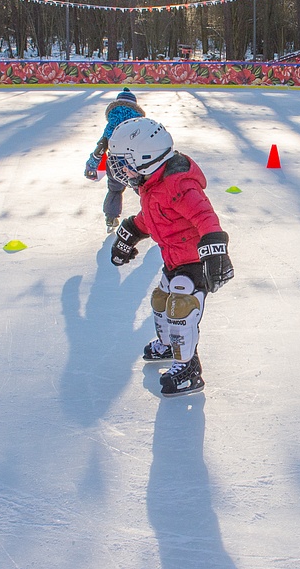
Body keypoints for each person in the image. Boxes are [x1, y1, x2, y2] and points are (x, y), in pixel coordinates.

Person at [106, 117, 234, 397]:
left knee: (181, 310)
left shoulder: (180, 185)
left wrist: (215, 251)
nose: (122, 170)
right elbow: (152, 218)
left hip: (192, 263)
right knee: (161, 303)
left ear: (145, 158)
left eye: (125, 163)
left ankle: (188, 368)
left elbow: (205, 217)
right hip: (173, 260)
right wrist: (129, 234)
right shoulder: (152, 185)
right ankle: (168, 346)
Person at [84, 89, 145, 232]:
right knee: (144, 190)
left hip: (114, 164)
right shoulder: (138, 124)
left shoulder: (111, 124)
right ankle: (155, 214)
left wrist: (91, 165)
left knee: (114, 190)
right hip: (134, 164)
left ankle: (110, 218)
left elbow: (101, 147)